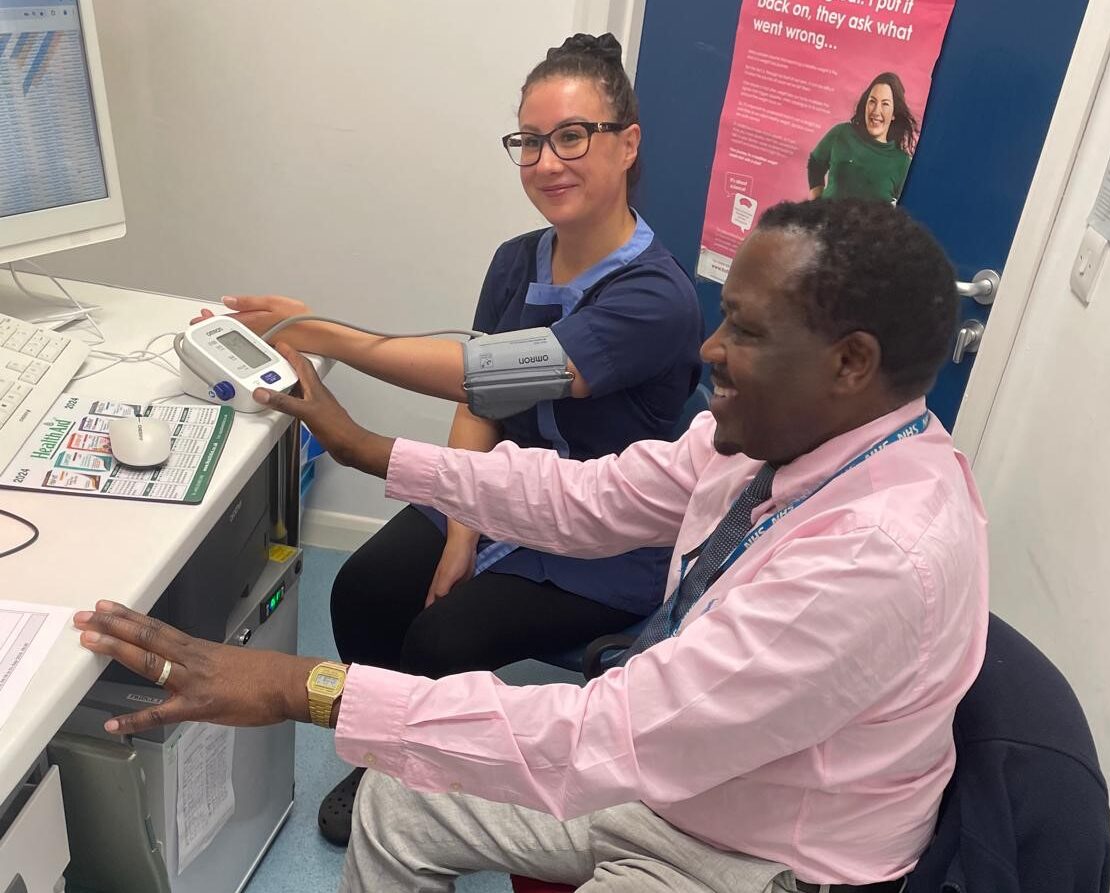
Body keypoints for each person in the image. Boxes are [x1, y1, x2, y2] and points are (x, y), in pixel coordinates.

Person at [77, 199, 988, 893]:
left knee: (459, 716)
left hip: (759, 855)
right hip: (684, 772)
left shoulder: (876, 554)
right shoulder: (773, 436)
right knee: (401, 791)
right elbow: (588, 496)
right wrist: (372, 449)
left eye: (745, 330)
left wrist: (293, 685)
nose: (710, 347)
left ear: (851, 363)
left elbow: (602, 734)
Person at [196, 32, 702, 843]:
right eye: (530, 142)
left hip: (604, 535)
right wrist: (461, 526)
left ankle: (418, 785)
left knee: (444, 634)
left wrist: (320, 330)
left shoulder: (658, 299)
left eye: (572, 136)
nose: (547, 161)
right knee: (360, 589)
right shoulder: (516, 261)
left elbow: (485, 372)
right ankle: (392, 742)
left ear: (627, 142)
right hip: (500, 493)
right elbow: (483, 409)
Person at [808, 72, 919, 203]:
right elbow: (815, 163)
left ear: (894, 113)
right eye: (872, 101)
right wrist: (816, 205)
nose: (876, 111)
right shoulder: (842, 133)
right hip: (826, 222)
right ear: (865, 105)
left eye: (885, 104)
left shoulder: (902, 163)